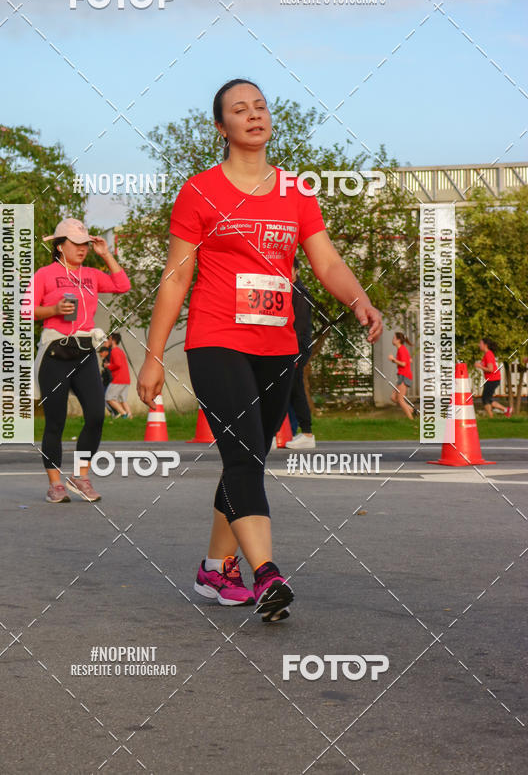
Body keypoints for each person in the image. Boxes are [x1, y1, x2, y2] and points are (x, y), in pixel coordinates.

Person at [137, 78, 382, 623]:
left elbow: (327, 263)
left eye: (260, 107)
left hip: (278, 344)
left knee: (248, 454)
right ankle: (267, 572)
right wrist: (153, 357)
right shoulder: (199, 191)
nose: (254, 115)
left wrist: (359, 299)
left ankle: (215, 567)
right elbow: (177, 279)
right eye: (239, 110)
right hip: (216, 337)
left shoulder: (296, 192)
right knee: (245, 449)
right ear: (221, 128)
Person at [32, 218, 131, 502]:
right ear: (60, 246)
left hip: (85, 351)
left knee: (97, 415)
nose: (82, 249)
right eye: (76, 244)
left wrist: (106, 255)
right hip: (55, 352)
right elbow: (27, 310)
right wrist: (53, 308)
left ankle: (81, 476)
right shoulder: (45, 274)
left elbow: (122, 285)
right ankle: (55, 484)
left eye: (85, 244)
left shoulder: (91, 274)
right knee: (56, 421)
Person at [285, 256, 315, 449]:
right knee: (285, 392)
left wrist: (294, 355)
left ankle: (307, 433)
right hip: (287, 349)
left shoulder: (300, 295)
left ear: (296, 270)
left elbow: (300, 328)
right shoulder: (287, 291)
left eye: (288, 268)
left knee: (296, 390)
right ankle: (278, 432)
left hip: (296, 350)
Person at [475, 337, 511, 418]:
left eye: (480, 343)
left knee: (485, 399)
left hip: (493, 379)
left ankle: (491, 417)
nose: (478, 345)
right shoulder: (487, 354)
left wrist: (479, 366)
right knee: (487, 399)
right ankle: (506, 410)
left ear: (485, 345)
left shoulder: (488, 354)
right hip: (492, 379)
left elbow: (490, 369)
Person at [104, 332, 133, 419]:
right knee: (122, 400)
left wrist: (108, 366)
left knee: (108, 398)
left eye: (108, 339)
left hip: (118, 379)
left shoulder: (114, 351)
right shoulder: (120, 351)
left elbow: (118, 364)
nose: (107, 341)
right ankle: (130, 417)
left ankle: (124, 414)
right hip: (126, 379)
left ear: (112, 340)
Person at [388, 332, 414, 420]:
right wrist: (395, 360)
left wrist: (393, 359)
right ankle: (410, 410)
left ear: (398, 340)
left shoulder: (402, 349)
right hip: (401, 376)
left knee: (400, 399)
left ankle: (411, 419)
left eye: (394, 338)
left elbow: (403, 363)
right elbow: (410, 360)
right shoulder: (402, 349)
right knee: (393, 397)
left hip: (404, 376)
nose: (392, 339)